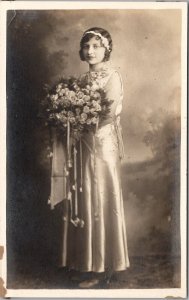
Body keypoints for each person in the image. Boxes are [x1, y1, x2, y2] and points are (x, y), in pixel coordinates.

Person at [49, 27, 130, 288]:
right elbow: (75, 111)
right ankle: (86, 263)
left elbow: (107, 113)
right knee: (83, 199)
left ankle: (104, 267)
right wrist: (65, 121)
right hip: (81, 146)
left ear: (107, 49)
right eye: (86, 46)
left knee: (101, 198)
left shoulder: (113, 77)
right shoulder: (80, 82)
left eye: (96, 45)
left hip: (103, 146)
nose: (90, 51)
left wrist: (79, 123)